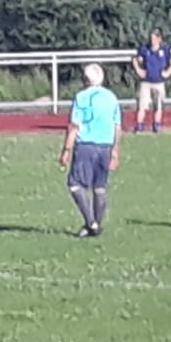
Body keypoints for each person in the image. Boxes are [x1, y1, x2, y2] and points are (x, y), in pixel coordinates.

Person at [59, 62, 121, 238]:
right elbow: (117, 126)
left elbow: (74, 126)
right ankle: (96, 226)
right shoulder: (111, 97)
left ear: (86, 79)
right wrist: (115, 150)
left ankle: (91, 222)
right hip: (105, 146)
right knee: (99, 187)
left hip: (86, 146)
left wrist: (66, 150)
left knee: (74, 184)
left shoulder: (81, 97)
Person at [132, 30, 170, 133]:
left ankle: (156, 125)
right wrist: (139, 70)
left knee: (158, 105)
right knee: (142, 104)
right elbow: (136, 60)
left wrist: (168, 72)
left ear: (159, 39)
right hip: (146, 81)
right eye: (151, 38)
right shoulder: (144, 49)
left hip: (159, 81)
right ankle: (139, 126)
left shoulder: (165, 50)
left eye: (154, 38)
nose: (151, 40)